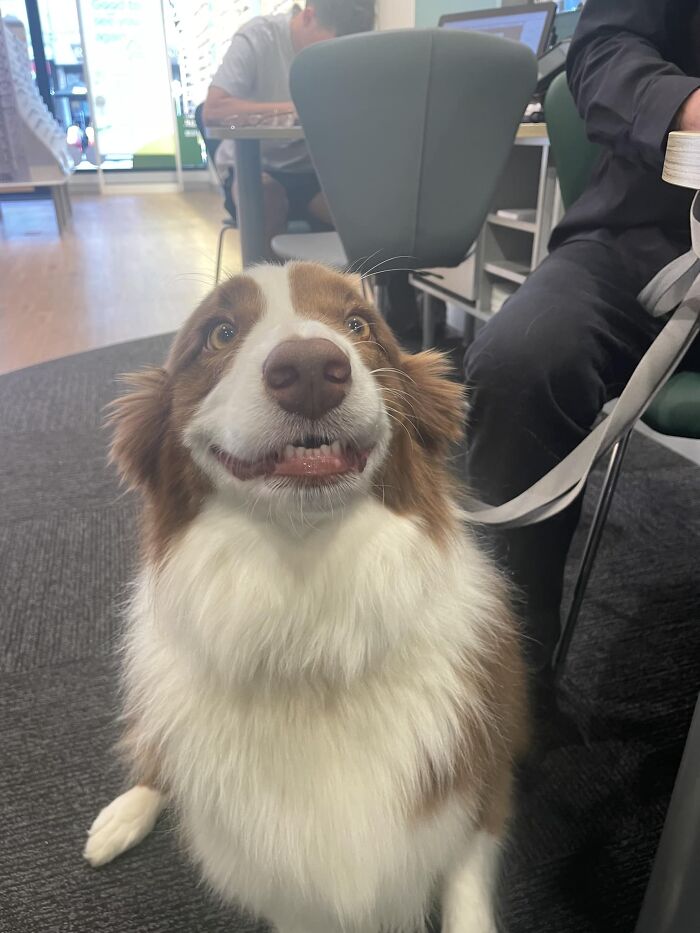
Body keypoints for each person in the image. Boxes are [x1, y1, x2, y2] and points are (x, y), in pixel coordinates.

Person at [464, 0, 700, 706]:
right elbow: (601, 50)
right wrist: (686, 106)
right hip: (645, 234)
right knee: (520, 360)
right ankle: (511, 679)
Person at [203, 1, 375, 252]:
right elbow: (214, 111)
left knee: (380, 212)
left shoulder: (353, 55)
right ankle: (270, 289)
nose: (335, 62)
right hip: (253, 169)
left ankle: (388, 291)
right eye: (328, 48)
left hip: (313, 174)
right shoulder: (259, 37)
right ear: (307, 17)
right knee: (265, 196)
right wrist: (293, 109)